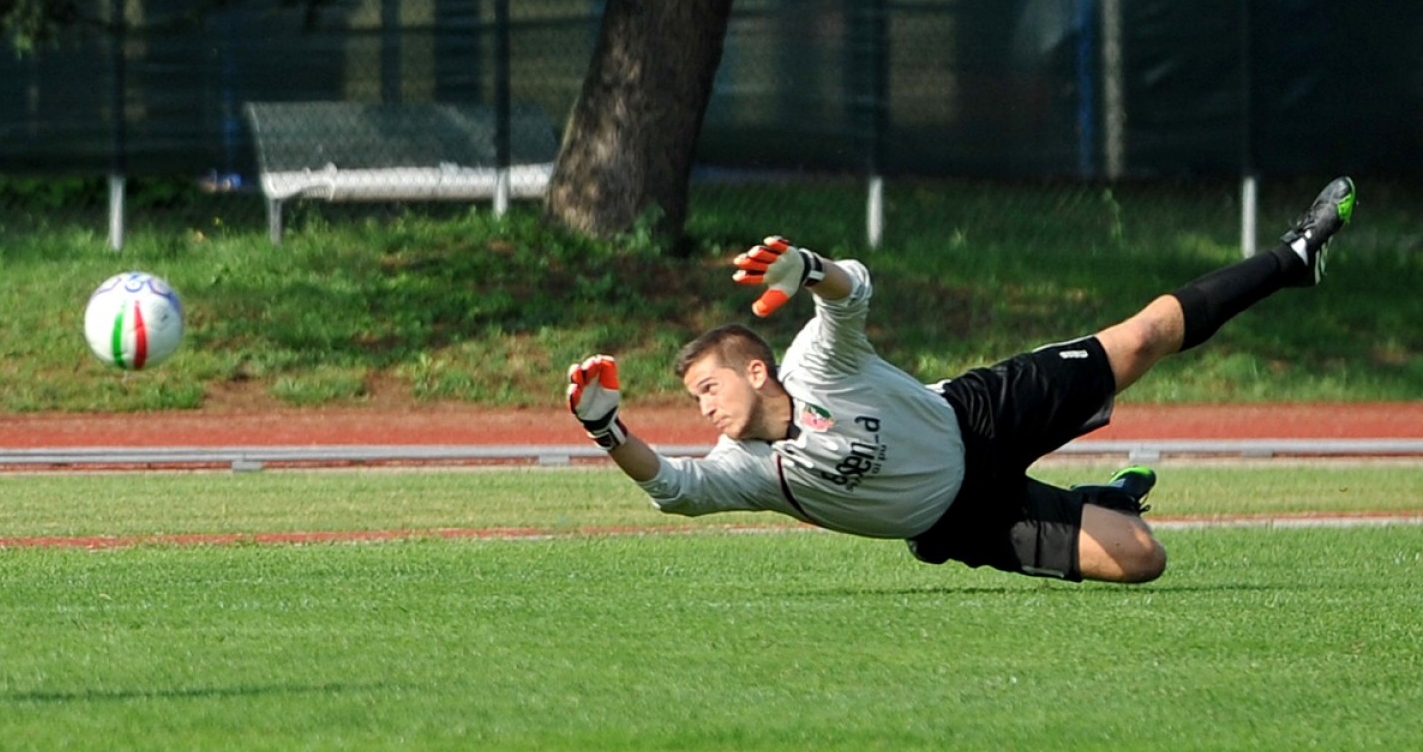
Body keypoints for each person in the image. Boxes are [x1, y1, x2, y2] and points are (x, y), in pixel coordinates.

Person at [566, 177, 1355, 584]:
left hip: (978, 417)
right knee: (1143, 560)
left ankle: (1292, 258)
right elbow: (670, 484)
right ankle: (1108, 499)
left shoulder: (816, 363)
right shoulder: (750, 471)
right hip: (965, 521)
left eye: (708, 386)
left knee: (1143, 338)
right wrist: (608, 428)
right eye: (693, 398)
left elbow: (855, 291)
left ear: (756, 367)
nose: (701, 406)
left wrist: (810, 268)